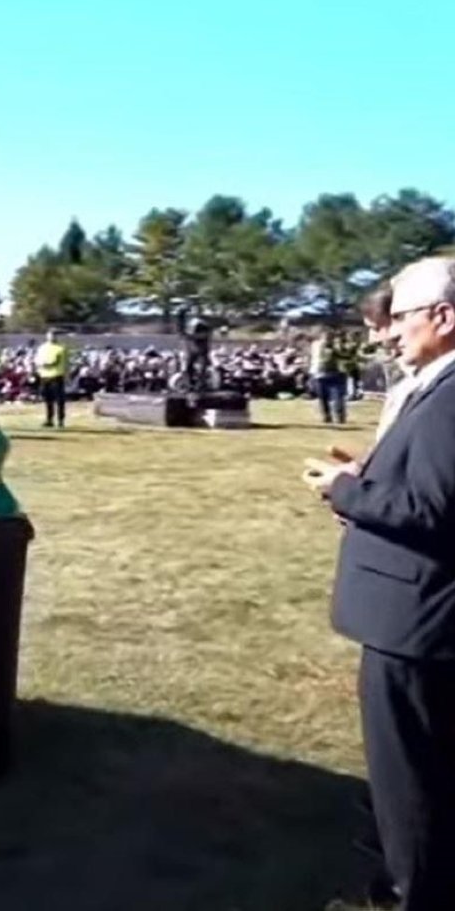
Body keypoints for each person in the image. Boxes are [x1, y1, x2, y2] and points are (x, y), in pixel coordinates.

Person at [304, 256, 455, 910]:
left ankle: (407, 893)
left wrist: (347, 492)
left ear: (443, 318)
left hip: (416, 619)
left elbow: (434, 511)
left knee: (409, 779)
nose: (389, 332)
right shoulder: (436, 387)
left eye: (400, 318)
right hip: (419, 614)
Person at [34, 329, 70, 428]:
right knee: (47, 399)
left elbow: (64, 363)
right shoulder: (42, 348)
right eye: (50, 335)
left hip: (56, 375)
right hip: (45, 376)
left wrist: (67, 375)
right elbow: (37, 360)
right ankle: (49, 419)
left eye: (54, 335)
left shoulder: (61, 348)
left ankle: (60, 420)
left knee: (59, 400)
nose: (52, 337)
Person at [311, 329, 347, 425]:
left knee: (337, 397)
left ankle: (339, 417)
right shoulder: (317, 345)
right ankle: (327, 416)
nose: (327, 339)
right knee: (323, 398)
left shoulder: (334, 347)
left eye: (329, 337)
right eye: (325, 337)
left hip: (334, 374)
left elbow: (343, 355)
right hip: (319, 375)